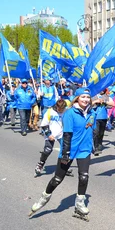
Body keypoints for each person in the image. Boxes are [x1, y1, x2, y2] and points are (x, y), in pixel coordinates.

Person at [29, 88, 97, 221]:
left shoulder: (92, 112)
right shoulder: (70, 113)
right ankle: (44, 197)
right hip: (70, 149)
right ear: (76, 98)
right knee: (57, 179)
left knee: (84, 177)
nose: (85, 99)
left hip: (84, 149)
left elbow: (93, 128)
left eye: (87, 97)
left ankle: (79, 203)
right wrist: (65, 153)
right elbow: (67, 134)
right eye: (82, 97)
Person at [34, 99, 67, 177]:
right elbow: (44, 125)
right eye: (60, 109)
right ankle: (40, 164)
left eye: (63, 109)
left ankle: (64, 167)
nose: (61, 111)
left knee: (65, 150)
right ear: (56, 107)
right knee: (48, 150)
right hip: (51, 134)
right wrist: (49, 134)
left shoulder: (66, 112)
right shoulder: (50, 112)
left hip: (61, 133)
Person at [92, 90, 114, 156]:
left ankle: (99, 144)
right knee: (96, 132)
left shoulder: (105, 96)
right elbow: (89, 104)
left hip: (103, 117)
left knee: (101, 133)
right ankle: (96, 148)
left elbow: (112, 104)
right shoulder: (94, 95)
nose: (102, 90)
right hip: (95, 117)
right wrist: (96, 101)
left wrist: (104, 101)